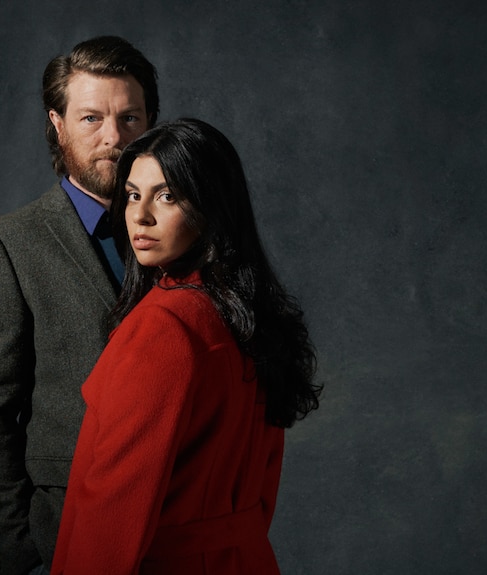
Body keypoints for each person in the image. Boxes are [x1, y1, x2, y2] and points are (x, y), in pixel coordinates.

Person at [50, 119, 322, 574]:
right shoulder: (251, 321)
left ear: (210, 206)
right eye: (133, 194)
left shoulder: (163, 329)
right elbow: (262, 489)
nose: (140, 215)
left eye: (167, 196)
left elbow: (113, 507)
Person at [0, 36, 160, 575]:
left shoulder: (189, 236)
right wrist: (22, 552)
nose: (113, 138)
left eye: (130, 117)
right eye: (92, 118)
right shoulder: (8, 244)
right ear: (58, 124)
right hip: (69, 530)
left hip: (178, 527)